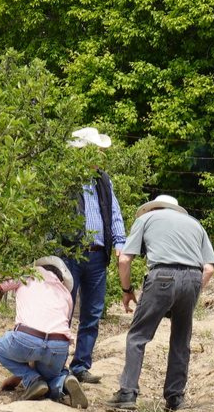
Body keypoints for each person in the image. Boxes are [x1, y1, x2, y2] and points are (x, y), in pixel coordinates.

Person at [105, 195, 214, 411]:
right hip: (193, 277)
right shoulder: (194, 223)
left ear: (153, 208)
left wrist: (127, 290)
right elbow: (210, 269)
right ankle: (175, 398)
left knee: (138, 337)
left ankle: (127, 393)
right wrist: (190, 289)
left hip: (162, 277)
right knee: (181, 339)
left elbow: (124, 259)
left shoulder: (146, 219)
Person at [62, 126, 128, 385]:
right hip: (71, 254)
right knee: (63, 312)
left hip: (98, 256)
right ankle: (58, 366)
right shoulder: (66, 181)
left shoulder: (103, 180)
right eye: (97, 150)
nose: (101, 154)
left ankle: (80, 366)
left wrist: (120, 240)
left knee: (92, 313)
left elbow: (114, 213)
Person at [0, 256, 90, 408]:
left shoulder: (26, 275)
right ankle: (62, 383)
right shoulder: (65, 293)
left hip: (26, 338)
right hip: (58, 345)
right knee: (51, 376)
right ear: (60, 277)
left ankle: (33, 381)